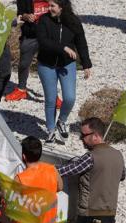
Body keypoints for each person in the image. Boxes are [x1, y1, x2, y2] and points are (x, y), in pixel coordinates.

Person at [36, 0, 92, 143]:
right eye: (49, 5)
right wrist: (63, 48)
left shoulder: (73, 22)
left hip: (66, 64)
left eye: (52, 6)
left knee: (70, 98)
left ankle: (62, 121)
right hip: (46, 64)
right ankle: (50, 130)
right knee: (50, 99)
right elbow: (43, 41)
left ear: (61, 7)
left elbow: (81, 43)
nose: (49, 8)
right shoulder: (44, 20)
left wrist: (86, 64)